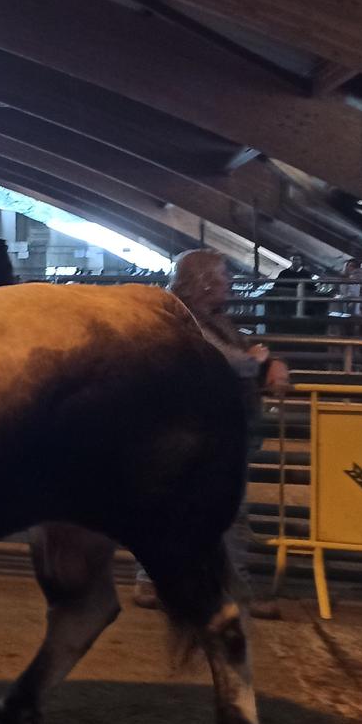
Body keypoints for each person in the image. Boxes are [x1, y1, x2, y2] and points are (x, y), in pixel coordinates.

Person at [135, 249, 287, 620]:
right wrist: (261, 360)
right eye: (223, 276)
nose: (229, 283)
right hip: (197, 430)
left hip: (197, 429)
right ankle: (234, 591)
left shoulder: (197, 315)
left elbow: (234, 352)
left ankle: (154, 581)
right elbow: (225, 358)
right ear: (204, 281)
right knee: (225, 509)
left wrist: (262, 358)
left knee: (178, 506)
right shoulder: (185, 319)